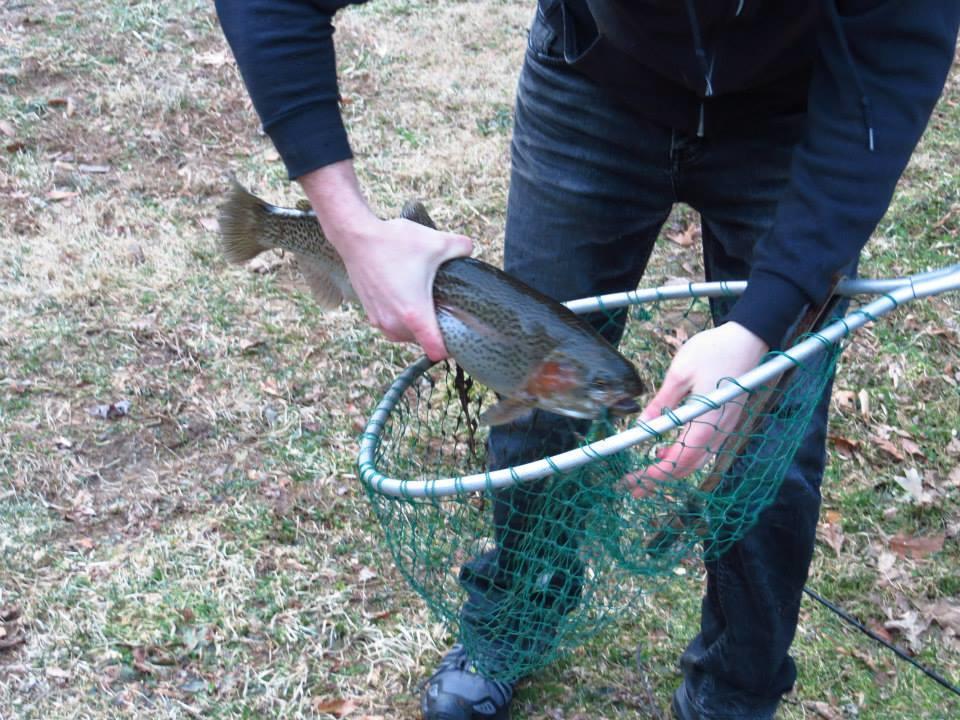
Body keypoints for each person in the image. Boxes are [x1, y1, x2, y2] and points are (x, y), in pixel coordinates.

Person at [215, 1, 960, 718]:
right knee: (537, 412)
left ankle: (737, 684)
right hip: (594, 79)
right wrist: (350, 233)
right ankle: (516, 610)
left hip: (799, 114)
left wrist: (762, 323)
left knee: (770, 437)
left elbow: (895, 58)